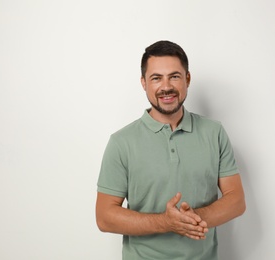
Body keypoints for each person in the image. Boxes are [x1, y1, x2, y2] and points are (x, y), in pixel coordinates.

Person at [96, 40, 246, 260]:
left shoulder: (214, 132)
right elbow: (104, 217)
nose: (166, 86)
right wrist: (166, 222)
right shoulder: (121, 142)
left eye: (174, 76)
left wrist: (192, 218)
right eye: (156, 78)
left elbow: (236, 201)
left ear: (187, 79)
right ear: (143, 83)